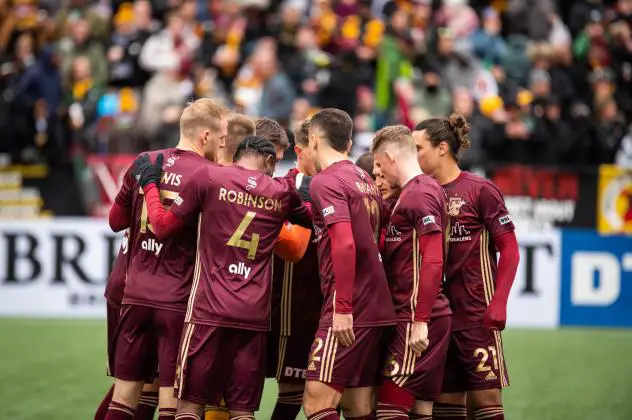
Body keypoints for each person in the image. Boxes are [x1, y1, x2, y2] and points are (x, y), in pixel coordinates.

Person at [134, 136, 312, 420]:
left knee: (189, 406)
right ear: (267, 161)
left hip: (209, 310)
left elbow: (163, 227)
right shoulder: (282, 191)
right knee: (242, 411)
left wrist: (150, 184)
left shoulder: (210, 176)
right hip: (253, 315)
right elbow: (310, 218)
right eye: (275, 164)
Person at [105, 99, 230, 420]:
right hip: (179, 302)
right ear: (205, 135)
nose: (223, 144)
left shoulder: (145, 160)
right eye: (221, 138)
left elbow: (116, 221)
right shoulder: (212, 175)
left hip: (135, 296)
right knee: (171, 401)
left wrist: (148, 186)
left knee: (123, 397)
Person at [411, 115, 520, 420]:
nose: (414, 155)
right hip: (437, 318)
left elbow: (510, 249)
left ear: (442, 148)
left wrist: (498, 303)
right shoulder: (419, 193)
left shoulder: (480, 190)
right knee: (447, 404)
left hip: (475, 315)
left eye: (418, 148)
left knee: (486, 400)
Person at [303, 108, 396, 420]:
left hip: (349, 307)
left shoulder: (325, 181)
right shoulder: (363, 178)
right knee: (358, 405)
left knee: (317, 403)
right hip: (377, 305)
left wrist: (342, 308)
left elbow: (344, 243)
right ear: (349, 141)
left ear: (314, 140)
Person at [371, 125, 452, 419]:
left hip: (413, 318)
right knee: (419, 411)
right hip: (411, 315)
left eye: (379, 164)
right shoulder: (410, 193)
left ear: (392, 158)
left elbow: (432, 260)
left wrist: (420, 319)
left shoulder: (420, 193)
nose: (378, 172)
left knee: (389, 411)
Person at [268, 119, 322, 420]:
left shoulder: (339, 183)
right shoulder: (285, 186)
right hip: (293, 310)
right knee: (292, 392)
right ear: (302, 151)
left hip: (330, 308)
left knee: (332, 396)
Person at [95, 230, 160, 420]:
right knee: (144, 385)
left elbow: (115, 220)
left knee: (136, 384)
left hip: (128, 281)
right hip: (149, 289)